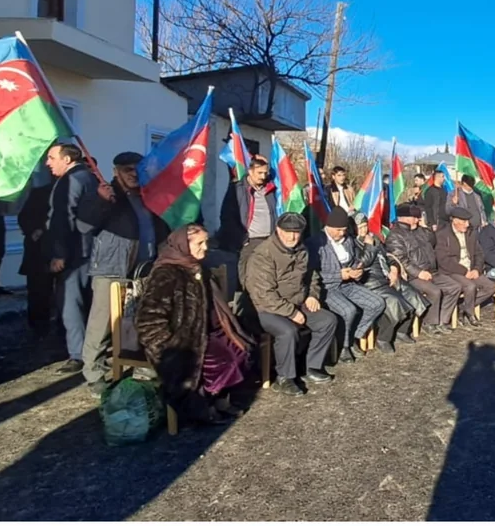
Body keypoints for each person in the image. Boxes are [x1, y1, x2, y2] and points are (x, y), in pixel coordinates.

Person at [135, 225, 252, 425]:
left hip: (205, 331)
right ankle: (204, 406)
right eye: (200, 243)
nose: (205, 248)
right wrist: (170, 347)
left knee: (241, 348)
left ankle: (220, 399)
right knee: (222, 362)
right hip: (182, 339)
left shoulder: (196, 267)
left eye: (206, 242)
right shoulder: (166, 273)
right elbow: (148, 321)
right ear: (183, 245)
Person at [77, 152, 171, 396]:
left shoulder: (147, 195)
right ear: (116, 171)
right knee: (103, 324)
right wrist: (100, 201)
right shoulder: (107, 194)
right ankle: (94, 374)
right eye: (127, 169)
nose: (133, 174)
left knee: (142, 320)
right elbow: (83, 226)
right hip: (112, 269)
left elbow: (159, 228)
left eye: (137, 169)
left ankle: (141, 365)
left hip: (144, 270)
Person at [245, 212, 339, 396]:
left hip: (298, 301)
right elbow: (263, 294)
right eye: (287, 231)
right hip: (264, 309)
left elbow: (311, 275)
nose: (292, 236)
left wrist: (312, 295)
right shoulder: (263, 254)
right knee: (288, 331)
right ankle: (284, 378)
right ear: (278, 230)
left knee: (327, 320)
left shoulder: (302, 249)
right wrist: (291, 312)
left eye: (296, 232)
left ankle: (312, 366)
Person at [45, 143, 99, 374]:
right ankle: (92, 349)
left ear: (67, 160)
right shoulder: (92, 177)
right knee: (90, 303)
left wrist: (59, 254)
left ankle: (78, 354)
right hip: (92, 251)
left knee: (70, 304)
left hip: (75, 252)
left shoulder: (70, 181)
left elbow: (62, 219)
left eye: (51, 157)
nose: (48, 163)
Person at [311, 208, 387, 362]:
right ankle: (344, 346)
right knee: (348, 310)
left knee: (377, 303)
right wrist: (339, 275)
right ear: (329, 227)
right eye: (338, 230)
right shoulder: (315, 243)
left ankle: (354, 336)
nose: (341, 233)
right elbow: (312, 275)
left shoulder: (348, 240)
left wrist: (357, 270)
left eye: (344, 230)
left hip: (349, 284)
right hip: (327, 288)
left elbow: (354, 261)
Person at [385, 204, 461, 335]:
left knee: (454, 287)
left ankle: (442, 320)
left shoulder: (419, 230)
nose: (418, 220)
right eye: (415, 218)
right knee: (435, 291)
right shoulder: (395, 236)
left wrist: (425, 227)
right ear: (405, 218)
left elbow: (432, 241)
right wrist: (419, 273)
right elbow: (401, 260)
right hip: (412, 276)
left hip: (431, 271)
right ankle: (429, 323)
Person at [352, 212, 416, 350]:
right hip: (371, 282)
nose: (364, 230)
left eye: (365, 226)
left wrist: (394, 268)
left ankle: (402, 330)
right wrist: (368, 247)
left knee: (411, 294)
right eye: (360, 227)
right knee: (393, 301)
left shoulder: (374, 238)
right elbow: (361, 264)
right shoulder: (353, 244)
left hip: (387, 275)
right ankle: (383, 337)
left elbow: (388, 255)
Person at [217, 155, 276, 283]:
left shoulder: (271, 189)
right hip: (249, 241)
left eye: (265, 173)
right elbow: (227, 217)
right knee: (246, 277)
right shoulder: (237, 190)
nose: (263, 176)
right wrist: (242, 239)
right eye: (259, 173)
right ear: (250, 171)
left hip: (269, 240)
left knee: (267, 276)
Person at [435, 207, 495, 326]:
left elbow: (479, 253)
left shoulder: (471, 233)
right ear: (455, 221)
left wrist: (476, 269)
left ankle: (463, 307)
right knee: (470, 286)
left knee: (490, 287)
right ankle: (470, 313)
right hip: (453, 270)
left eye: (468, 221)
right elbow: (443, 260)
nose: (467, 224)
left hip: (471, 268)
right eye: (464, 222)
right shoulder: (442, 235)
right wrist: (464, 271)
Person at [17, 170, 54, 337]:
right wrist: (34, 230)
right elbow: (24, 217)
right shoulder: (41, 193)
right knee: (38, 289)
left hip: (67, 250)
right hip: (39, 250)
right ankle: (38, 326)